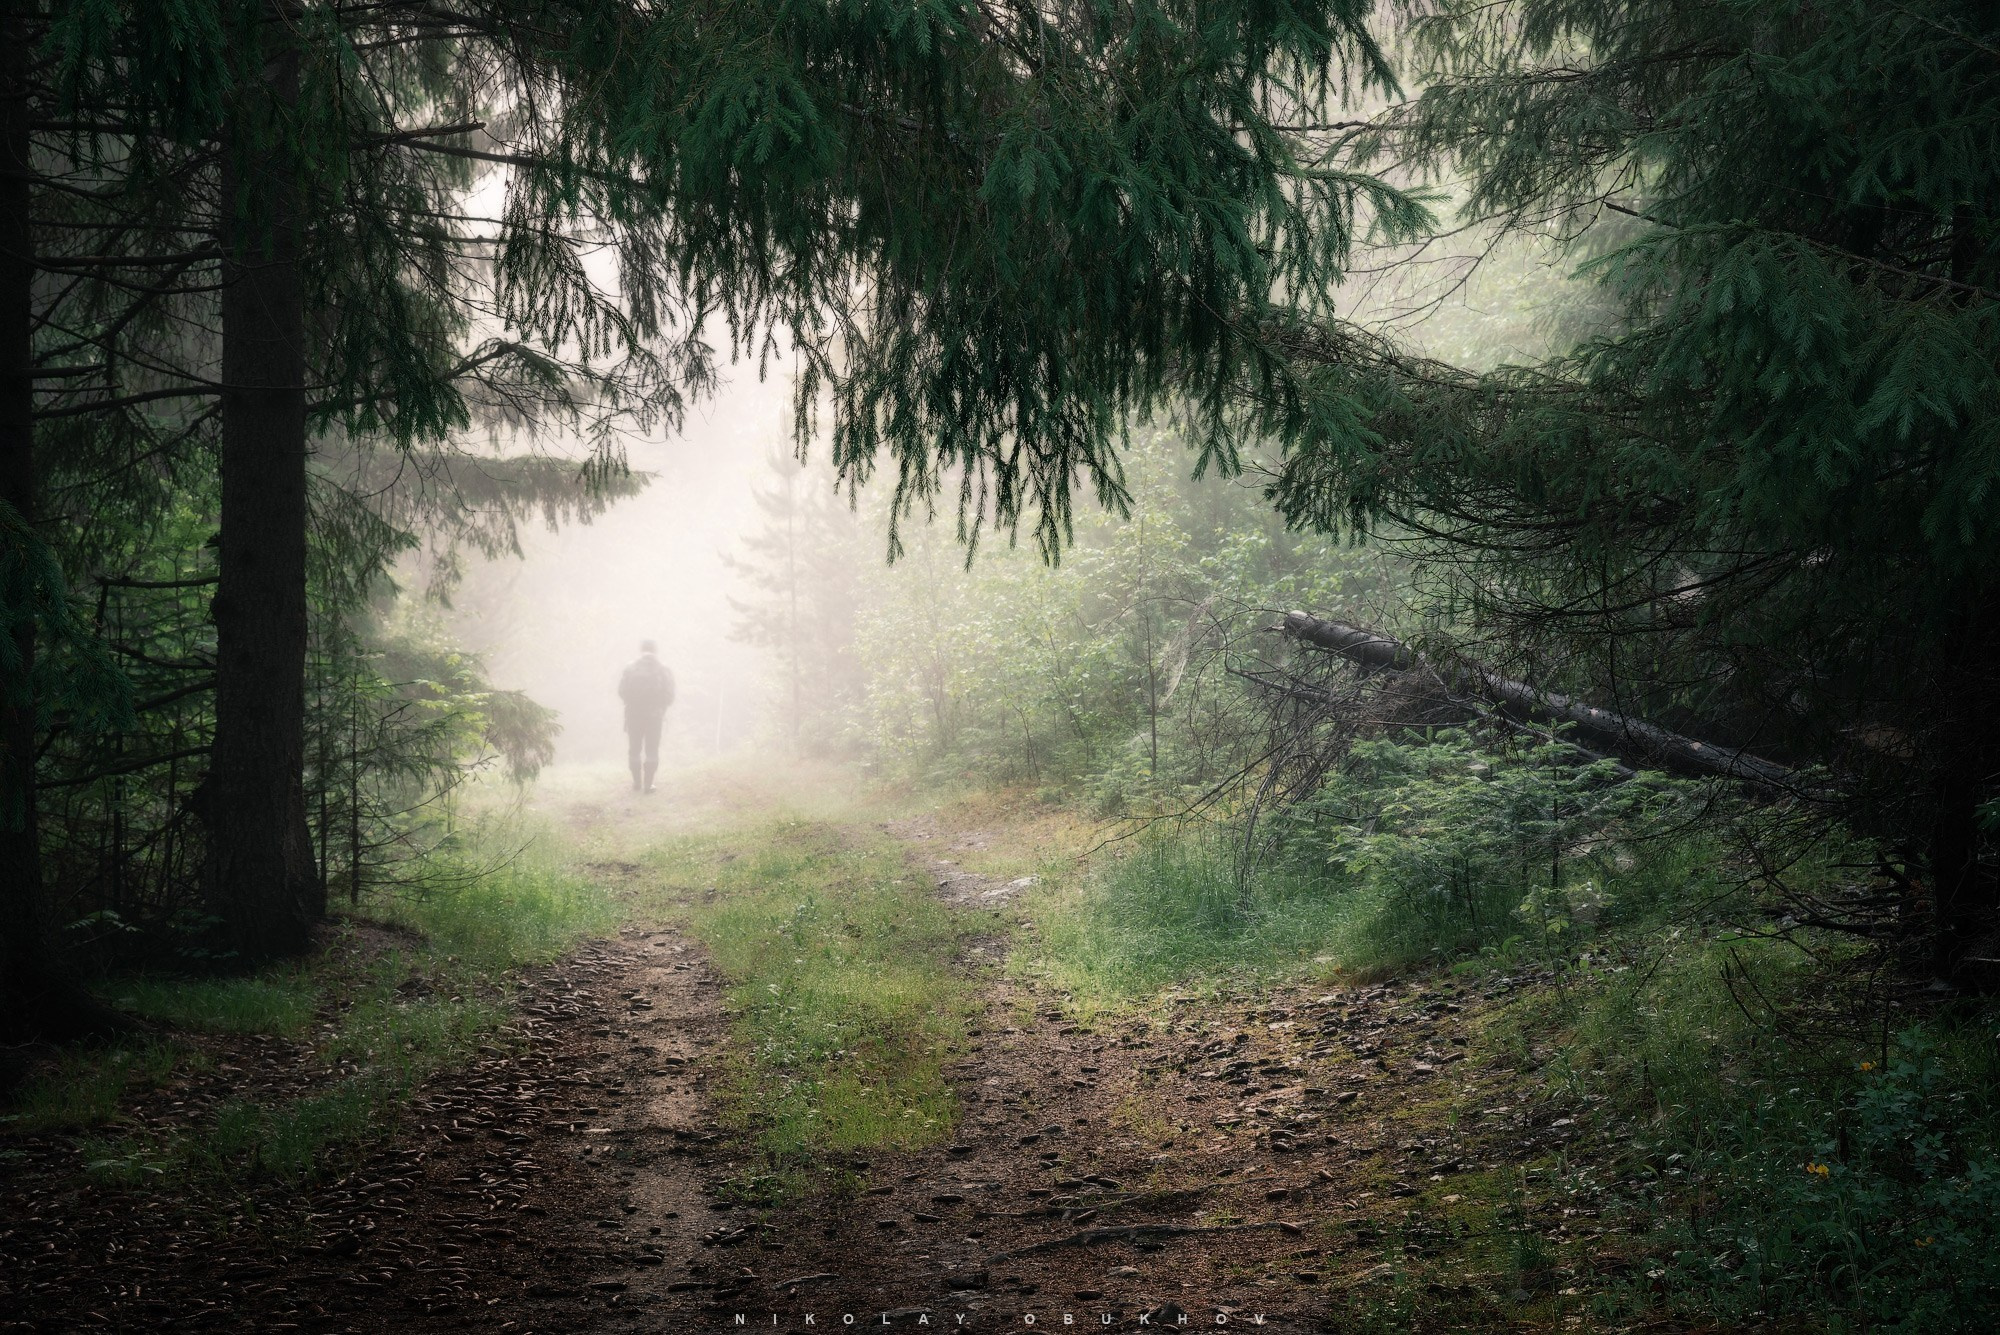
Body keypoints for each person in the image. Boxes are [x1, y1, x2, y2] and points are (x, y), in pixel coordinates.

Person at [618, 640, 675, 792]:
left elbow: (621, 692)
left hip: (633, 715)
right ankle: (648, 786)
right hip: (655, 717)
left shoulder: (630, 668)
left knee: (634, 749)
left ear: (642, 650)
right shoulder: (663, 669)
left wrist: (632, 704)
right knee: (652, 750)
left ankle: (637, 783)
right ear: (655, 651)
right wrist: (661, 708)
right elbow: (670, 696)